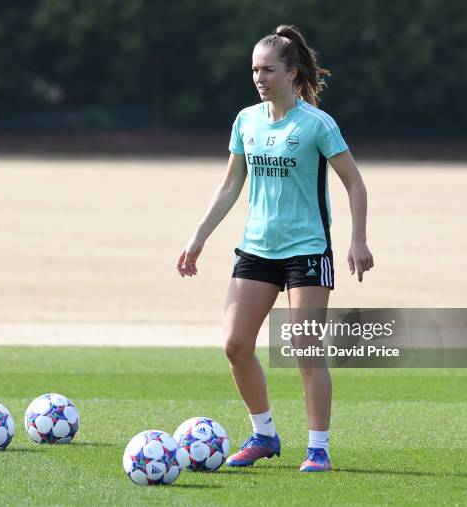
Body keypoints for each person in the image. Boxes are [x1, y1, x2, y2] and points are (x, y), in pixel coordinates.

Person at [176, 24, 373, 472]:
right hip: (256, 250)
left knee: (305, 348)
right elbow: (230, 185)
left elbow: (354, 183)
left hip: (307, 250)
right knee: (235, 344)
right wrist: (198, 236)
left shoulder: (316, 124)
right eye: (254, 70)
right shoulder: (246, 120)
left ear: (292, 72)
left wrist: (357, 238)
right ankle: (264, 433)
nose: (259, 78)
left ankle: (318, 448)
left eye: (267, 69)